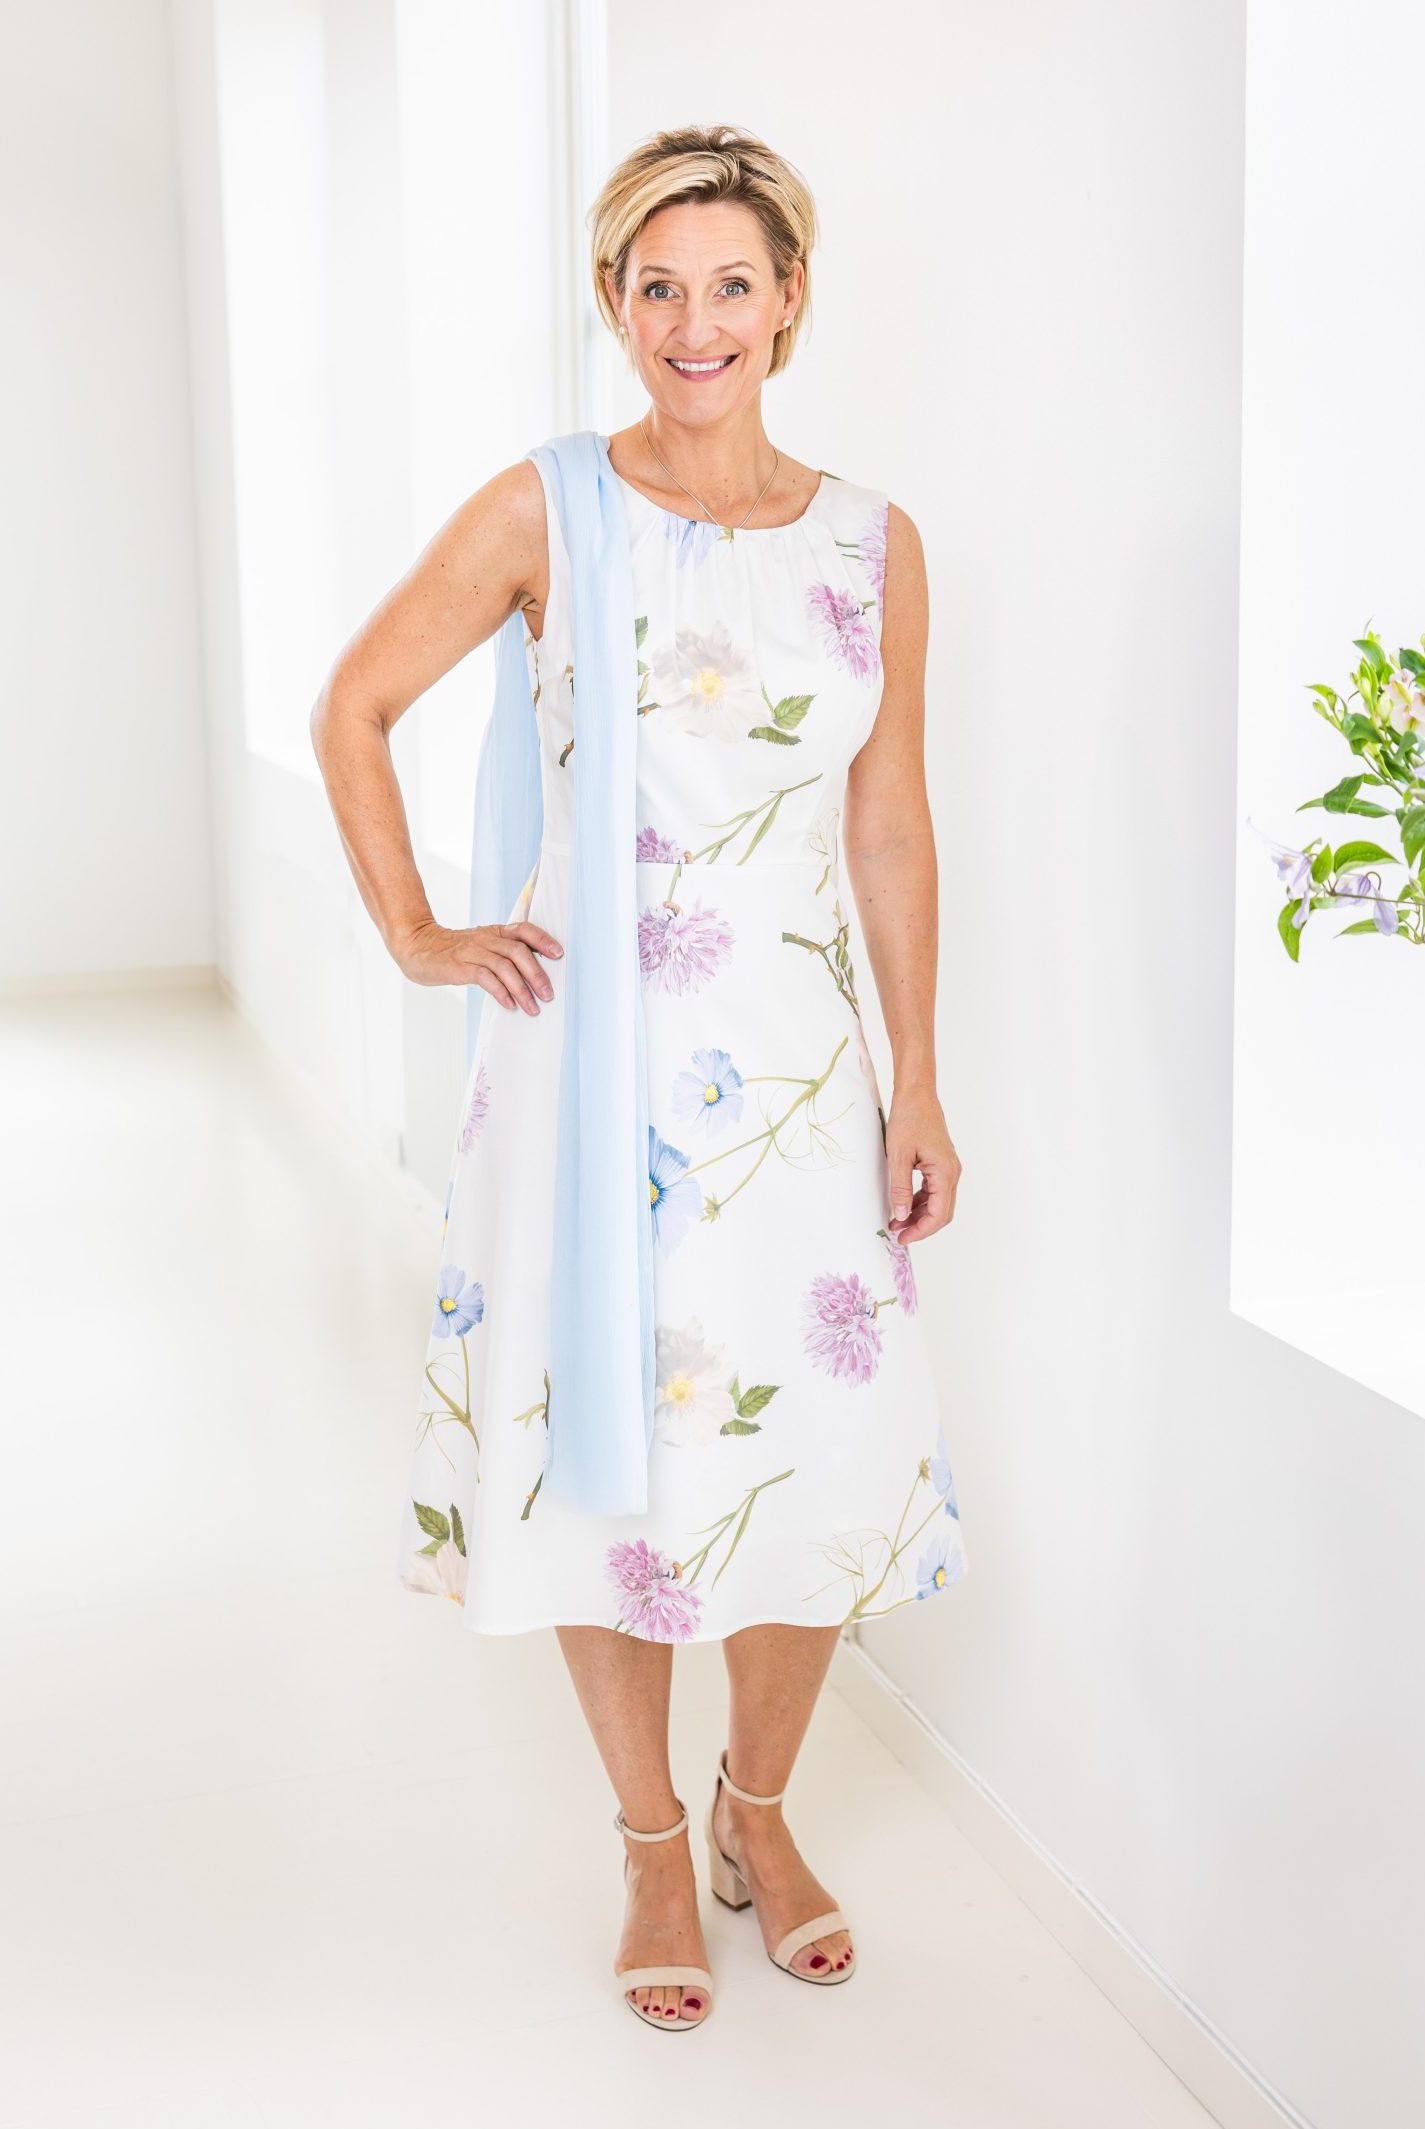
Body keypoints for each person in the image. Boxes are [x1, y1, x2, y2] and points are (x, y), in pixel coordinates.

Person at [310, 122, 966, 2033]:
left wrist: (918, 1077)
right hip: (586, 1075)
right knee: (608, 1460)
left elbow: (889, 820)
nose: (697, 321)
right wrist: (416, 929)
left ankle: (762, 1803)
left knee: (810, 1450)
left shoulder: (870, 542)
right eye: (658, 286)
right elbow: (355, 701)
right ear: (613, 302)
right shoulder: (550, 506)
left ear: (789, 300)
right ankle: (653, 1838)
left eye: (731, 284)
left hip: (800, 1075)